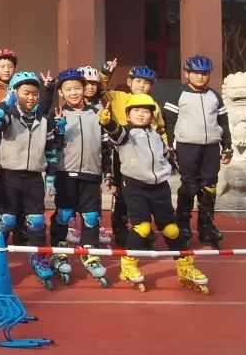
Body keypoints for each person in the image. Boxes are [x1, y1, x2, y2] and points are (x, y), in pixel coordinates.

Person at [100, 94, 209, 293]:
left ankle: (185, 266)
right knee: (142, 227)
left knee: (171, 229)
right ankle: (128, 265)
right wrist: (108, 122)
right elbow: (116, 133)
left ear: (152, 115)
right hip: (135, 187)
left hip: (160, 188)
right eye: (136, 111)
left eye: (146, 111)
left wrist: (174, 165)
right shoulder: (126, 133)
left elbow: (166, 157)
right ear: (128, 115)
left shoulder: (157, 136)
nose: (141, 114)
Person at [0, 71, 63, 290]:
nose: (31, 97)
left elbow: (51, 150)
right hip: (9, 175)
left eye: (34, 93)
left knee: (37, 221)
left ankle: (38, 257)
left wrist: (50, 177)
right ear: (15, 93)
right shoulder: (9, 114)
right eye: (25, 93)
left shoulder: (44, 119)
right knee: (7, 219)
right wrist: (6, 102)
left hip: (34, 178)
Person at [47, 69, 110, 287]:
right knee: (64, 214)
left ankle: (90, 253)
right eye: (68, 89)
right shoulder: (57, 113)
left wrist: (108, 172)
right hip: (65, 173)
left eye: (77, 88)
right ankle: (59, 252)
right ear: (61, 93)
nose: (73, 92)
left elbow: (105, 145)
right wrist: (58, 131)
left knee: (91, 216)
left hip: (91, 173)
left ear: (84, 89)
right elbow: (51, 147)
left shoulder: (98, 112)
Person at [162, 55, 232, 248]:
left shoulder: (214, 96)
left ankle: (206, 225)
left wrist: (227, 146)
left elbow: (223, 122)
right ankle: (183, 225)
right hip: (187, 146)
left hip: (211, 147)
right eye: (196, 73)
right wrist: (170, 146)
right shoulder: (177, 94)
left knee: (209, 186)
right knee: (189, 185)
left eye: (204, 73)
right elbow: (168, 123)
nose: (200, 77)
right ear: (187, 74)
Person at [98, 59, 165, 247]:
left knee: (145, 193)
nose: (142, 85)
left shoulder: (153, 105)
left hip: (145, 157)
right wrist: (105, 73)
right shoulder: (118, 97)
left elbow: (160, 130)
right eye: (138, 81)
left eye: (146, 83)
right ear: (129, 82)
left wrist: (166, 151)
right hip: (121, 152)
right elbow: (98, 90)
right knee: (121, 193)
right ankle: (120, 228)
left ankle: (142, 227)